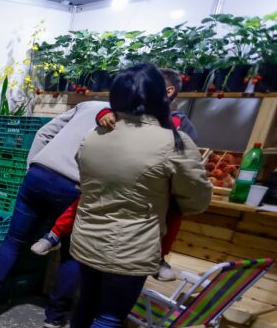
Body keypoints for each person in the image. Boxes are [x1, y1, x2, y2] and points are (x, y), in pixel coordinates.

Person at [59, 63, 211, 328]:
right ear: (161, 95)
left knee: (86, 303)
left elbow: (84, 179)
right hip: (131, 244)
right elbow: (196, 200)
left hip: (87, 237)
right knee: (111, 314)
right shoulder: (173, 141)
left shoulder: (95, 135)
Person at [31, 68, 199, 282]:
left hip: (147, 192)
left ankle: (159, 258)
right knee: (84, 200)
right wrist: (104, 116)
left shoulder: (179, 126)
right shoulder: (125, 117)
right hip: (120, 191)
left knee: (174, 212)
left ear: (168, 91)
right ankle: (54, 235)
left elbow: (187, 177)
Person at [0, 99, 110, 328]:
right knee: (72, 253)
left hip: (40, 174)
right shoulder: (128, 123)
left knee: (13, 242)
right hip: (74, 187)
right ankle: (54, 317)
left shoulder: (89, 105)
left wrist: (32, 165)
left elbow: (44, 133)